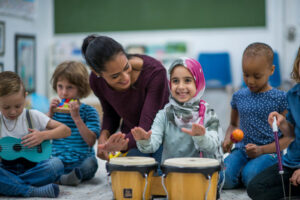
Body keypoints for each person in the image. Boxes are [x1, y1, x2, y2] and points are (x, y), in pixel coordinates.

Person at [81, 35, 169, 161]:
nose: (125, 77)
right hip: (131, 137)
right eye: (115, 76)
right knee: (119, 169)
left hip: (160, 136)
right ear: (97, 72)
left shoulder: (155, 73)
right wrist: (104, 136)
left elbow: (148, 125)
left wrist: (121, 145)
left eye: (126, 67)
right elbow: (110, 114)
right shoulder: (96, 80)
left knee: (150, 167)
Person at [222, 42, 291, 189]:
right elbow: (233, 124)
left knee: (251, 177)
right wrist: (228, 138)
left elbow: (289, 137)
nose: (250, 81)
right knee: (224, 178)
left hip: (269, 152)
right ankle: (241, 174)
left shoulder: (281, 98)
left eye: (257, 76)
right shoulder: (238, 96)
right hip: (241, 150)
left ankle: (246, 174)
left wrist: (261, 150)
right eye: (246, 75)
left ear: (271, 70)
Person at [131, 57, 223, 164]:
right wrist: (144, 140)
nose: (181, 86)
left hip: (202, 175)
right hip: (173, 175)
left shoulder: (208, 113)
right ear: (170, 83)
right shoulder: (164, 115)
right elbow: (152, 145)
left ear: (198, 82)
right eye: (175, 81)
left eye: (187, 80)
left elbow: (213, 146)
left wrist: (201, 137)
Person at [0, 71, 71, 198]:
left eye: (18, 106)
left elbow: (66, 130)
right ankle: (31, 190)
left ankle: (10, 186)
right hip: (6, 170)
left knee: (56, 164)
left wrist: (43, 135)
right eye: (6, 107)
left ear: (25, 98)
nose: (12, 111)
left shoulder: (32, 115)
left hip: (34, 168)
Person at [247, 47, 300, 200]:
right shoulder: (293, 94)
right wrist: (282, 123)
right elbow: (291, 134)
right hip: (291, 163)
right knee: (255, 188)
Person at [48, 61, 100, 186]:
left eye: (69, 87)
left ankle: (65, 177)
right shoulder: (55, 110)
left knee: (92, 164)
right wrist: (50, 113)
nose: (64, 93)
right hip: (58, 159)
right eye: (60, 86)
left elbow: (91, 141)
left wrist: (77, 117)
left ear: (80, 88)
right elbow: (42, 132)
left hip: (81, 160)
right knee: (45, 162)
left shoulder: (90, 111)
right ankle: (64, 178)